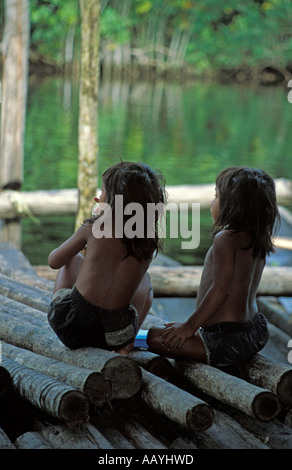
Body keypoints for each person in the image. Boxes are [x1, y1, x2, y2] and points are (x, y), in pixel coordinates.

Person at [147, 167, 280, 367]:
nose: (212, 202)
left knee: (153, 337)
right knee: (168, 328)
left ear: (234, 206)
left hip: (224, 340)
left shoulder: (225, 239)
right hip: (254, 331)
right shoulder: (258, 238)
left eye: (216, 196)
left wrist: (189, 327)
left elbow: (221, 289)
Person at [47, 161, 166, 355]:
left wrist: (85, 244)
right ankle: (128, 343)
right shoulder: (148, 242)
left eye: (102, 193)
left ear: (112, 201)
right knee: (146, 281)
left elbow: (54, 261)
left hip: (72, 328)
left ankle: (60, 308)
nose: (98, 197)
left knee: (73, 259)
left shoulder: (94, 227)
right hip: (112, 336)